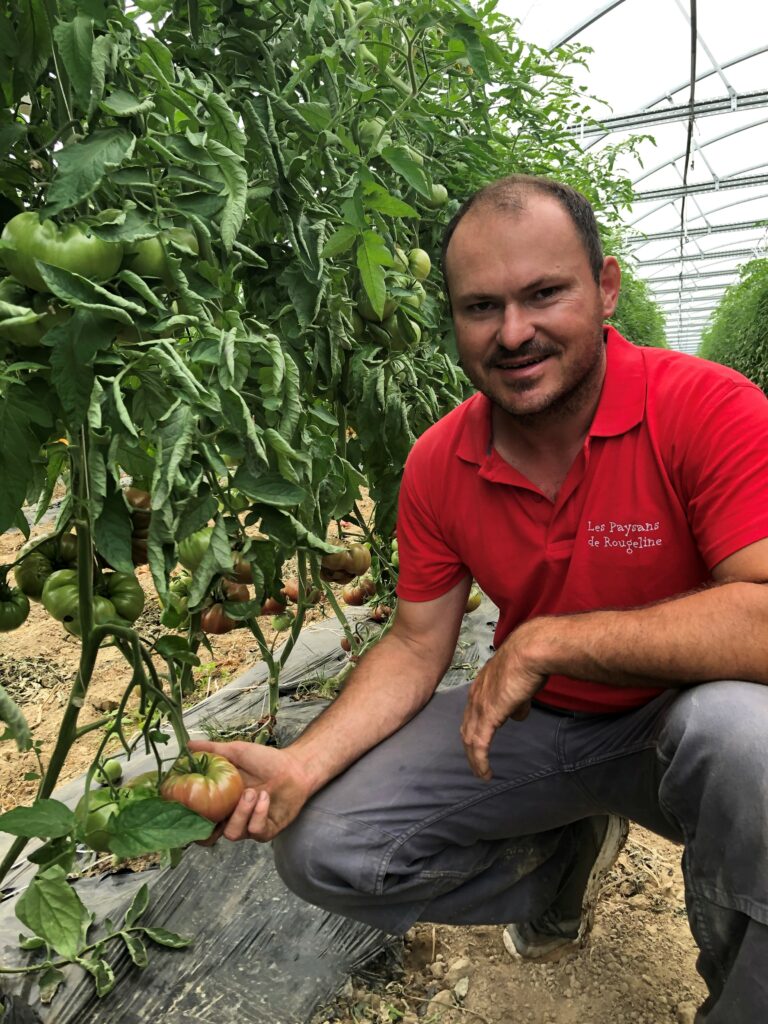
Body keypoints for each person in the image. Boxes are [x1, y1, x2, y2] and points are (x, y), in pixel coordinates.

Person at [191, 175, 768, 1023]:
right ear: (453, 320)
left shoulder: (707, 407)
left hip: (677, 731)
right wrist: (301, 766)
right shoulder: (437, 462)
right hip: (538, 731)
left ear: (604, 288)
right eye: (481, 307)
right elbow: (420, 642)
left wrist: (544, 644)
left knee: (745, 739)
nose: (514, 332)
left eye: (545, 294)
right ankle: (563, 862)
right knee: (323, 844)